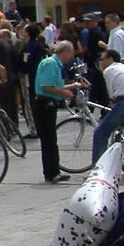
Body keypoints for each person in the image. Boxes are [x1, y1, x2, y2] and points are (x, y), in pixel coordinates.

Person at [33, 41, 82, 184]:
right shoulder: (50, 64)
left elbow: (56, 85)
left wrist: (72, 86)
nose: (71, 56)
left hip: (49, 103)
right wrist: (64, 93)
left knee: (51, 139)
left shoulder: (55, 64)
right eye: (71, 52)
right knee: (49, 140)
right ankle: (51, 173)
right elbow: (46, 86)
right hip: (44, 104)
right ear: (64, 52)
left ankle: (54, 171)